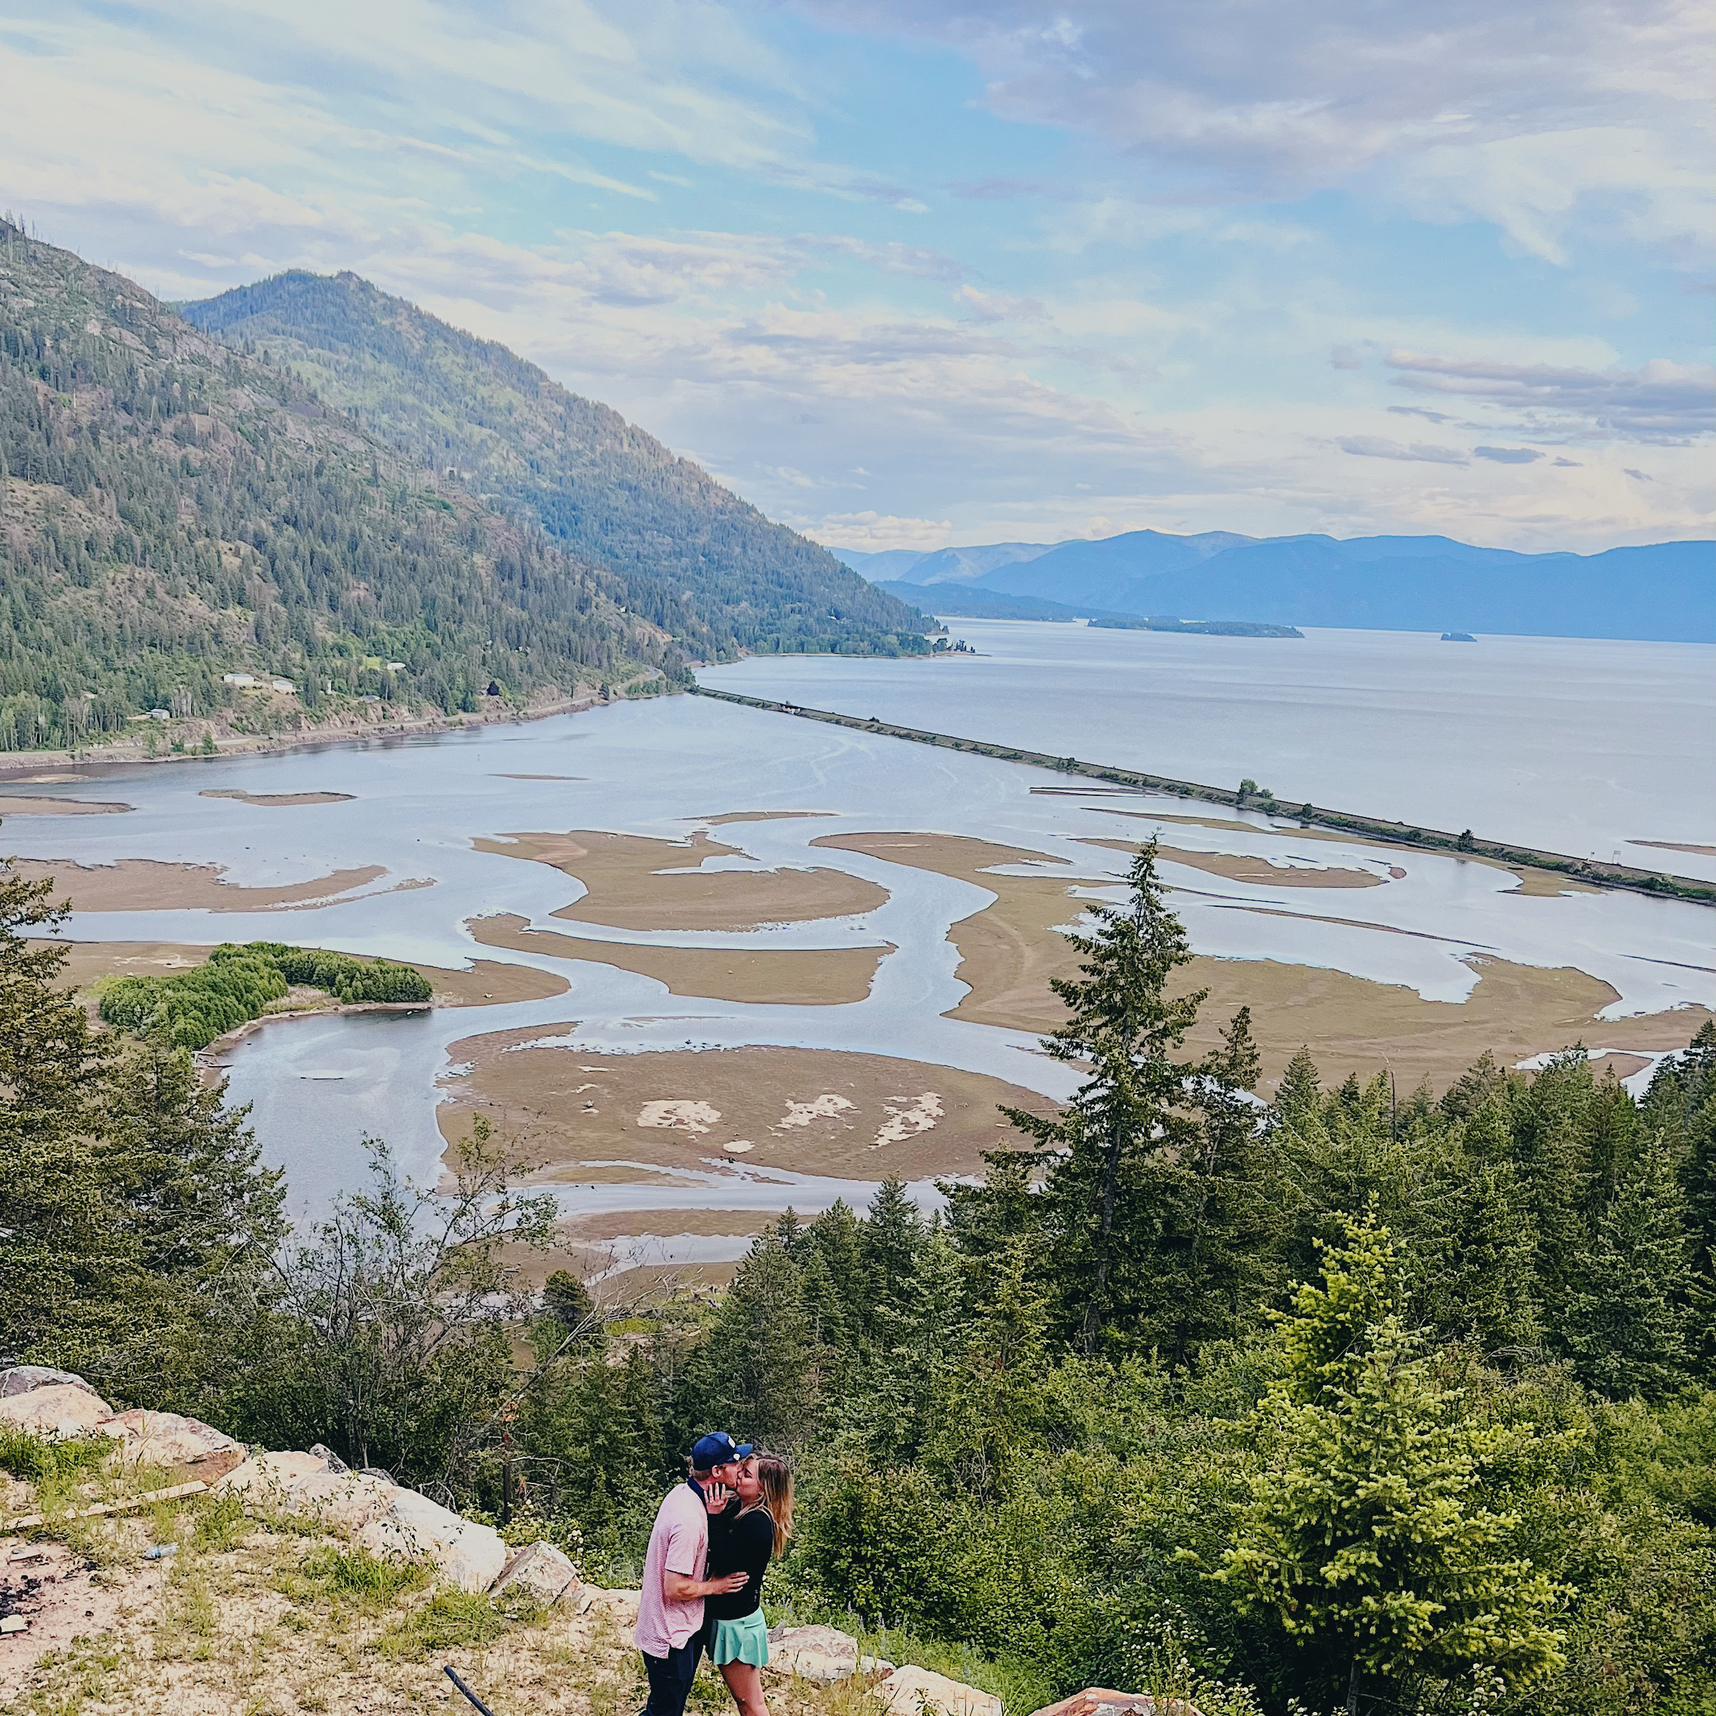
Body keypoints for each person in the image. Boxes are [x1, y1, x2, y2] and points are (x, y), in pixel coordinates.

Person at [636, 1433, 753, 1716]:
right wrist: (717, 1586)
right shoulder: (688, 1520)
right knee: (665, 1711)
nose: (740, 1468)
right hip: (670, 1637)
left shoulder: (683, 1494)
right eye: (735, 1463)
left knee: (664, 1706)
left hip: (675, 1629)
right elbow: (674, 1587)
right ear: (717, 1471)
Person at [703, 1452, 795, 1716]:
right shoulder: (741, 1509)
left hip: (736, 1625)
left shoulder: (758, 1522)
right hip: (735, 1618)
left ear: (762, 1488)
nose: (739, 1477)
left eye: (746, 1475)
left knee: (749, 1702)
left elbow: (725, 1561)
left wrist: (713, 1517)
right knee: (748, 1700)